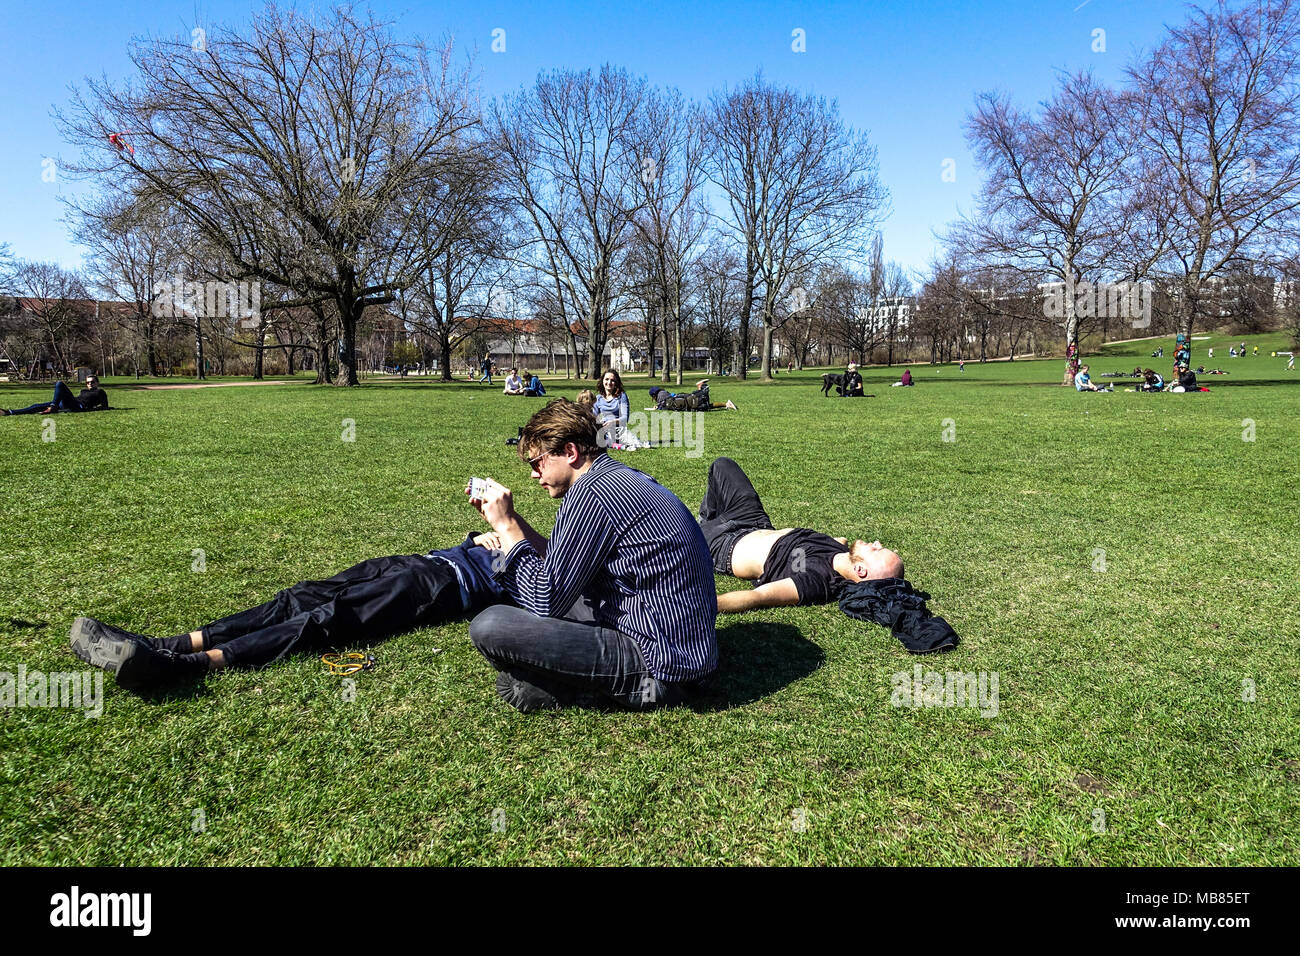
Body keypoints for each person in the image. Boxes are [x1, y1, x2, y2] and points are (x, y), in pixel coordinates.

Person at [466, 399, 718, 712]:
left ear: (570, 452)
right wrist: (512, 524)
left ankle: (579, 688)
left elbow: (545, 599)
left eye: (537, 464)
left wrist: (505, 527)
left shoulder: (592, 494)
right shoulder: (614, 479)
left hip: (662, 666)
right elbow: (558, 562)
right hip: (682, 647)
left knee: (489, 625)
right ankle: (568, 681)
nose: (534, 475)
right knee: (529, 610)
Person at [68, 532, 511, 692]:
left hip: (444, 586)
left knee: (330, 618)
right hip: (424, 559)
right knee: (298, 596)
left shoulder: (565, 568)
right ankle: (174, 643)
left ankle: (186, 665)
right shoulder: (556, 530)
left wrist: (511, 537)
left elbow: (547, 589)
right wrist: (479, 535)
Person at [697, 457, 904, 612]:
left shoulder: (817, 581)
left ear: (860, 570)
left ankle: (702, 529)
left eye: (878, 550)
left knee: (672, 518)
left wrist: (706, 607)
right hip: (754, 521)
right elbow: (838, 542)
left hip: (724, 545)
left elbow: (758, 596)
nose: (877, 542)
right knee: (723, 465)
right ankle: (708, 519)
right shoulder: (841, 551)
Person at [3, 375, 109, 416]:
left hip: (79, 406)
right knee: (37, 406)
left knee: (60, 384)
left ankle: (53, 407)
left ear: (97, 383)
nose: (90, 384)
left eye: (92, 382)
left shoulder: (100, 392)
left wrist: (92, 409)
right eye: (88, 382)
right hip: (70, 403)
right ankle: (9, 412)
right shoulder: (83, 391)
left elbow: (105, 406)